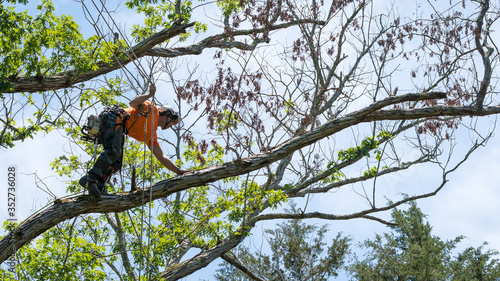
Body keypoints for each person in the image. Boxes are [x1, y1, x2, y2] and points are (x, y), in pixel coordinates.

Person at [79, 84, 189, 195]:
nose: (171, 126)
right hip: (114, 119)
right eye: (172, 121)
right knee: (113, 152)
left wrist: (178, 171)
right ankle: (91, 178)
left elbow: (161, 157)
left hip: (118, 127)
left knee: (116, 163)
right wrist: (150, 94)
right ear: (166, 114)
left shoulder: (152, 136)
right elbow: (133, 103)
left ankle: (97, 186)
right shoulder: (153, 110)